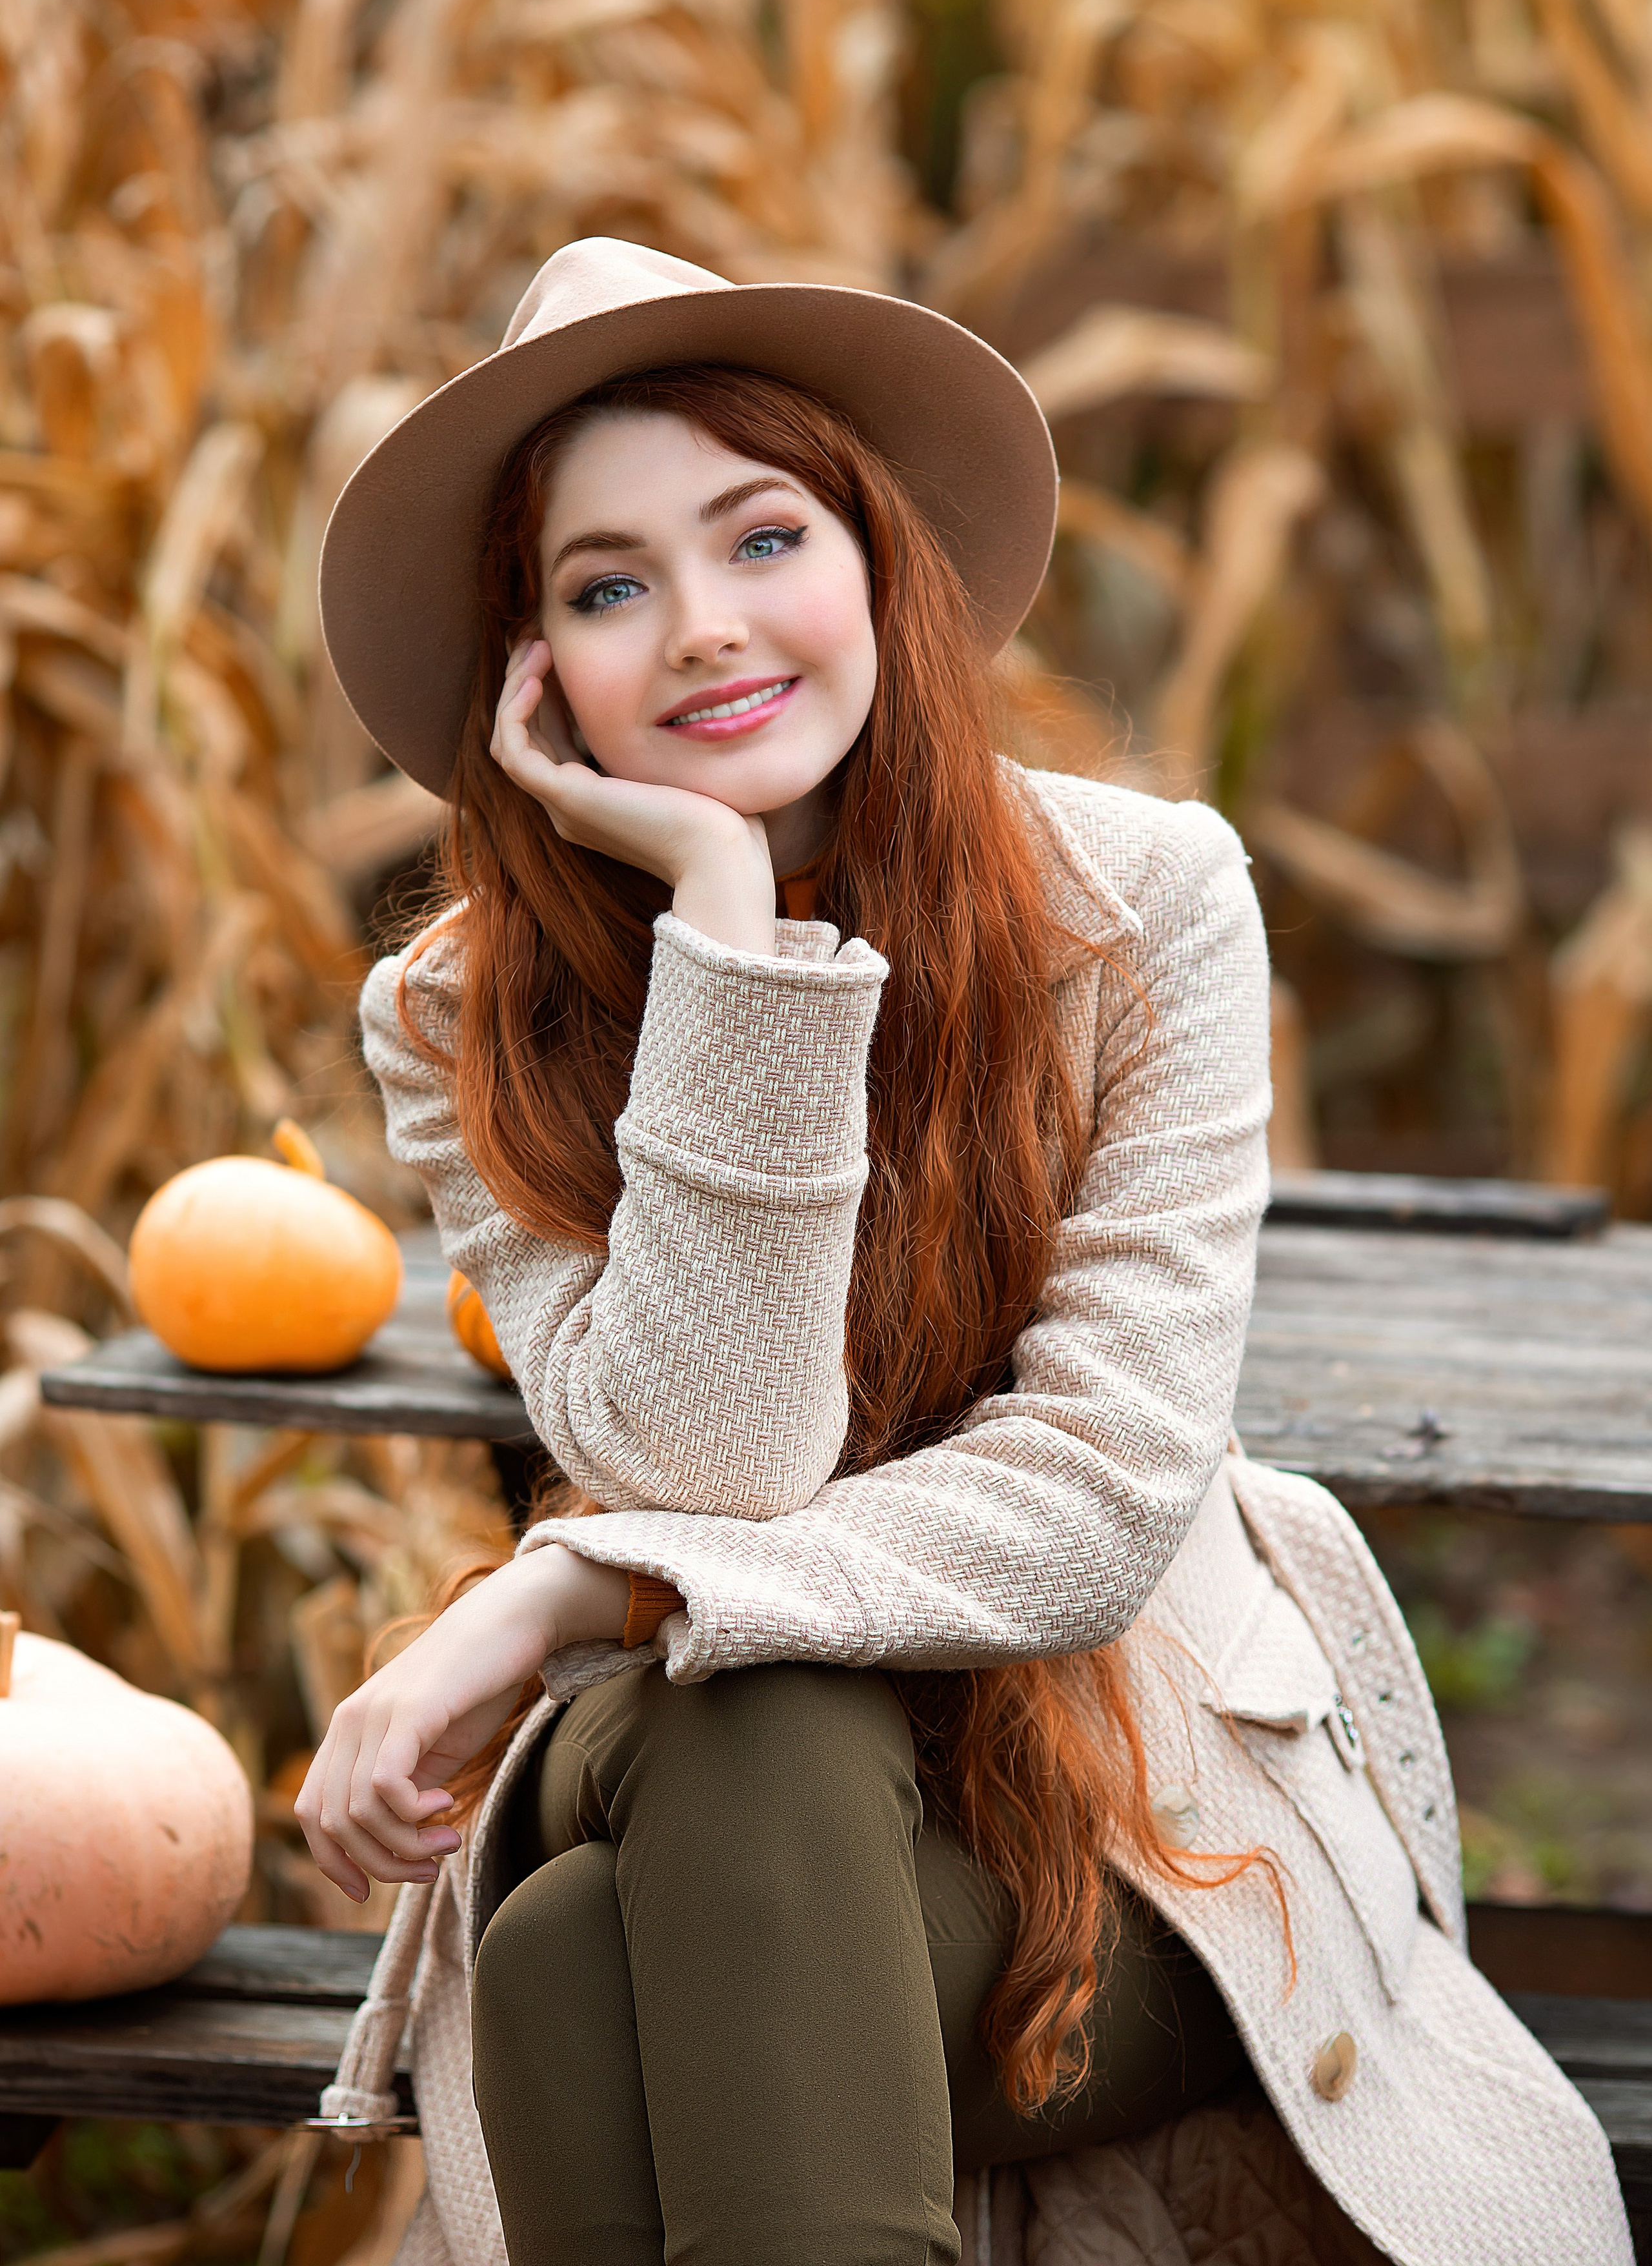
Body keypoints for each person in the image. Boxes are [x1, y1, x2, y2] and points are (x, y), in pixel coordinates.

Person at [299, 239, 1629, 2266]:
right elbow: (720, 1461)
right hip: (685, 1759)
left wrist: (558, 1585)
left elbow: (1097, 1498)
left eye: (764, 535)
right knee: (757, 1715)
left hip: (1130, 1821)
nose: (704, 629)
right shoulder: (460, 1013)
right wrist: (731, 928)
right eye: (607, 585)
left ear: (879, 554)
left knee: (580, 1960)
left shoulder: (1142, 906)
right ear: (531, 669)